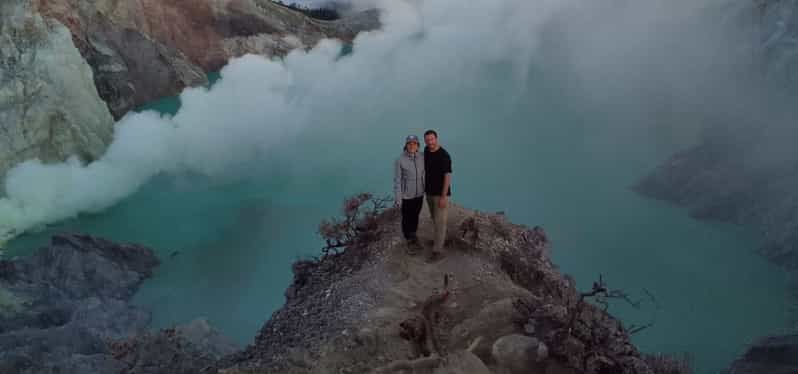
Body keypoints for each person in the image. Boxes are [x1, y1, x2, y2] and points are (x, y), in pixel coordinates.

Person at [394, 135, 425, 254]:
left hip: (419, 194)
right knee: (406, 218)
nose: (412, 145)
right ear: (406, 145)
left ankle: (413, 235)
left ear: (418, 145)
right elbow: (397, 180)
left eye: (414, 143)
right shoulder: (400, 160)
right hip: (406, 196)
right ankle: (408, 241)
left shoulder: (422, 157)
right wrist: (398, 198)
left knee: (415, 215)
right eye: (409, 143)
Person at [423, 129, 452, 260]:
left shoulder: (444, 155)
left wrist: (444, 196)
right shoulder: (426, 151)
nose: (430, 142)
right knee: (435, 219)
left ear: (436, 139)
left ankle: (437, 252)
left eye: (432, 139)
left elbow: (447, 176)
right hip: (429, 193)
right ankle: (438, 241)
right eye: (427, 140)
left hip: (440, 194)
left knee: (440, 222)